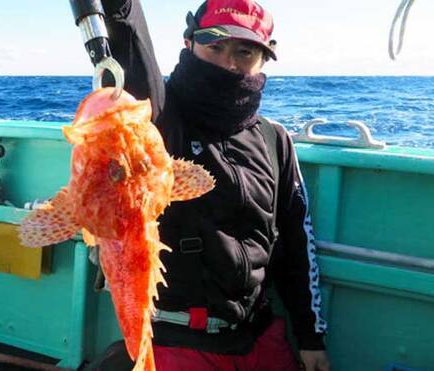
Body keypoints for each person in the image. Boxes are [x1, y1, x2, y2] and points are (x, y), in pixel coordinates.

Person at [91, 0, 331, 370]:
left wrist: (310, 336)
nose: (228, 62)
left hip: (258, 332)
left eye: (245, 51)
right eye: (214, 46)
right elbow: (132, 58)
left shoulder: (274, 139)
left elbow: (297, 243)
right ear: (188, 44)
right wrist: (120, 9)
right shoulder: (159, 117)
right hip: (174, 338)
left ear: (264, 59)